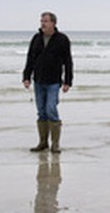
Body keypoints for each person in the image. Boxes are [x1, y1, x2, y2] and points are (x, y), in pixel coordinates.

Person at [23, 11, 73, 153]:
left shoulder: (62, 39)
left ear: (53, 23)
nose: (42, 24)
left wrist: (68, 81)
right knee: (41, 112)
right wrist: (26, 77)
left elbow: (68, 61)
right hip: (38, 80)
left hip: (53, 82)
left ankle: (55, 144)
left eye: (45, 21)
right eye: (41, 21)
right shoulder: (36, 38)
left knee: (51, 109)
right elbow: (30, 59)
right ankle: (43, 142)